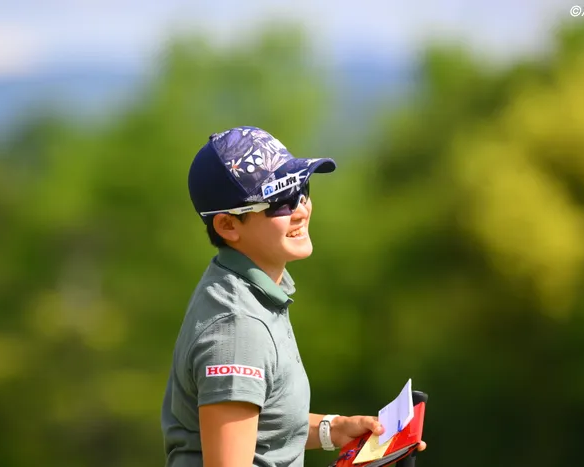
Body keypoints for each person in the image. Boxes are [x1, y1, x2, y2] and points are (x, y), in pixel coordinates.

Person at [161, 126, 426, 467]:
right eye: (279, 202)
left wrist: (332, 429)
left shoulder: (245, 289)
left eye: (302, 190)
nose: (301, 209)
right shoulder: (238, 328)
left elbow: (263, 422)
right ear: (228, 226)